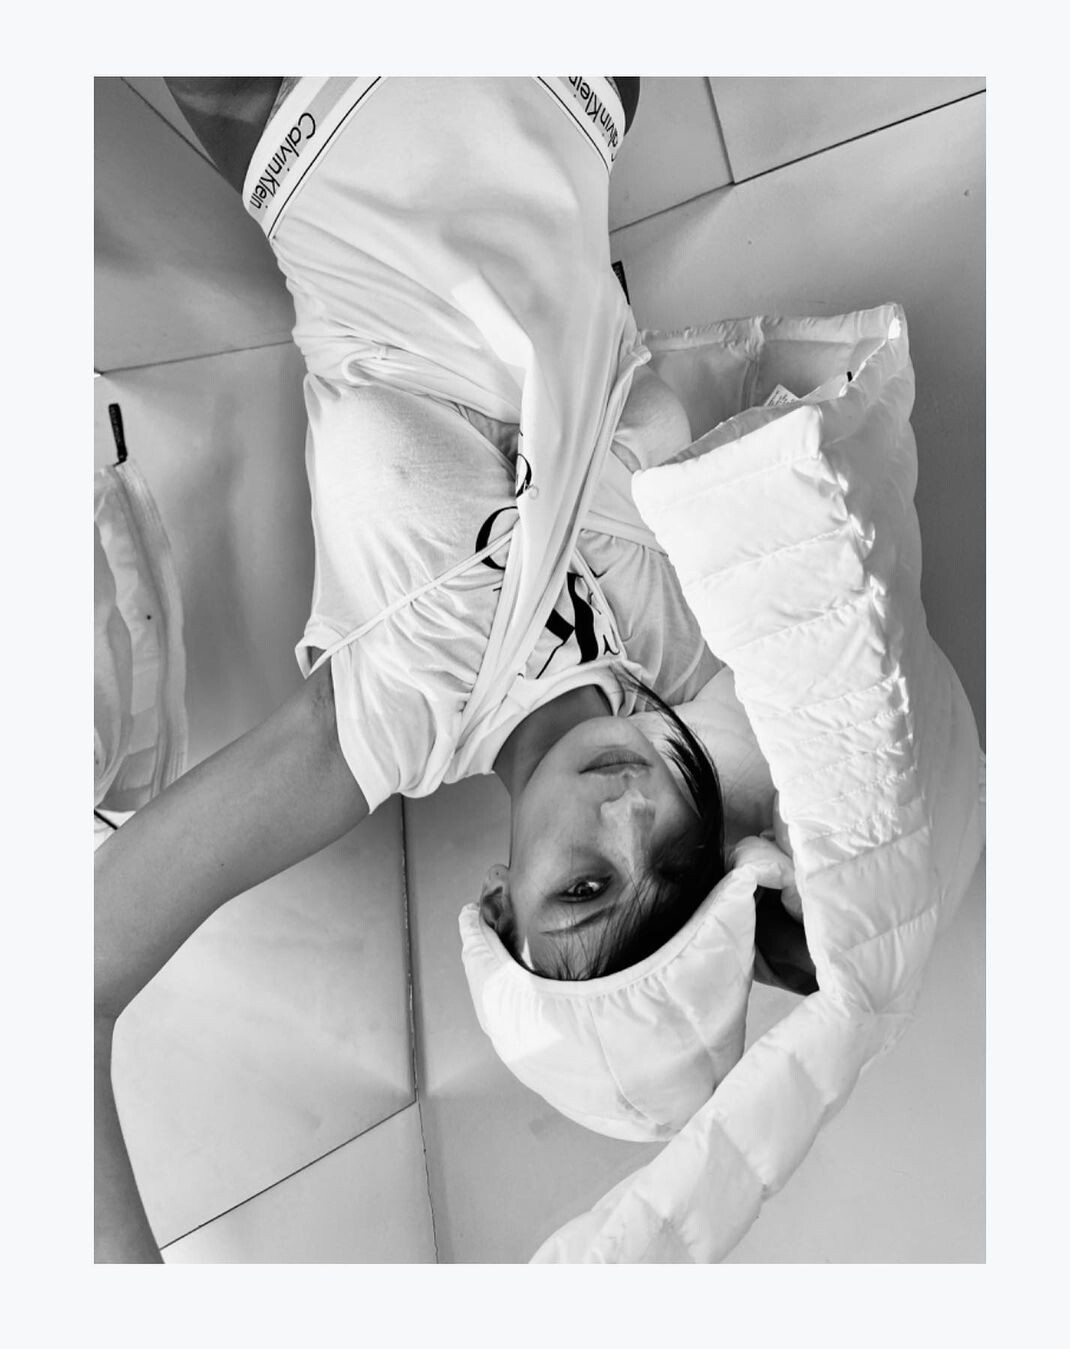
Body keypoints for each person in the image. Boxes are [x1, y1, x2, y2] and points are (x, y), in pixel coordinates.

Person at [95, 76, 804, 1263]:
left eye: (586, 885)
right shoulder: (693, 657)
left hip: (297, 98)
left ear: (498, 902)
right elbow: (880, 806)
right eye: (676, 860)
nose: (632, 813)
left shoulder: (391, 720)